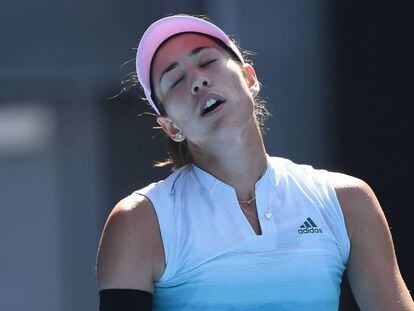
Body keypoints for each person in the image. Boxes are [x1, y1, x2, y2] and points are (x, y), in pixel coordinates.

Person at [96, 14, 414, 310]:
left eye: (207, 61)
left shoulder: (348, 201)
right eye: (176, 80)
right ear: (171, 127)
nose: (197, 81)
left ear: (249, 77)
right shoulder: (137, 222)